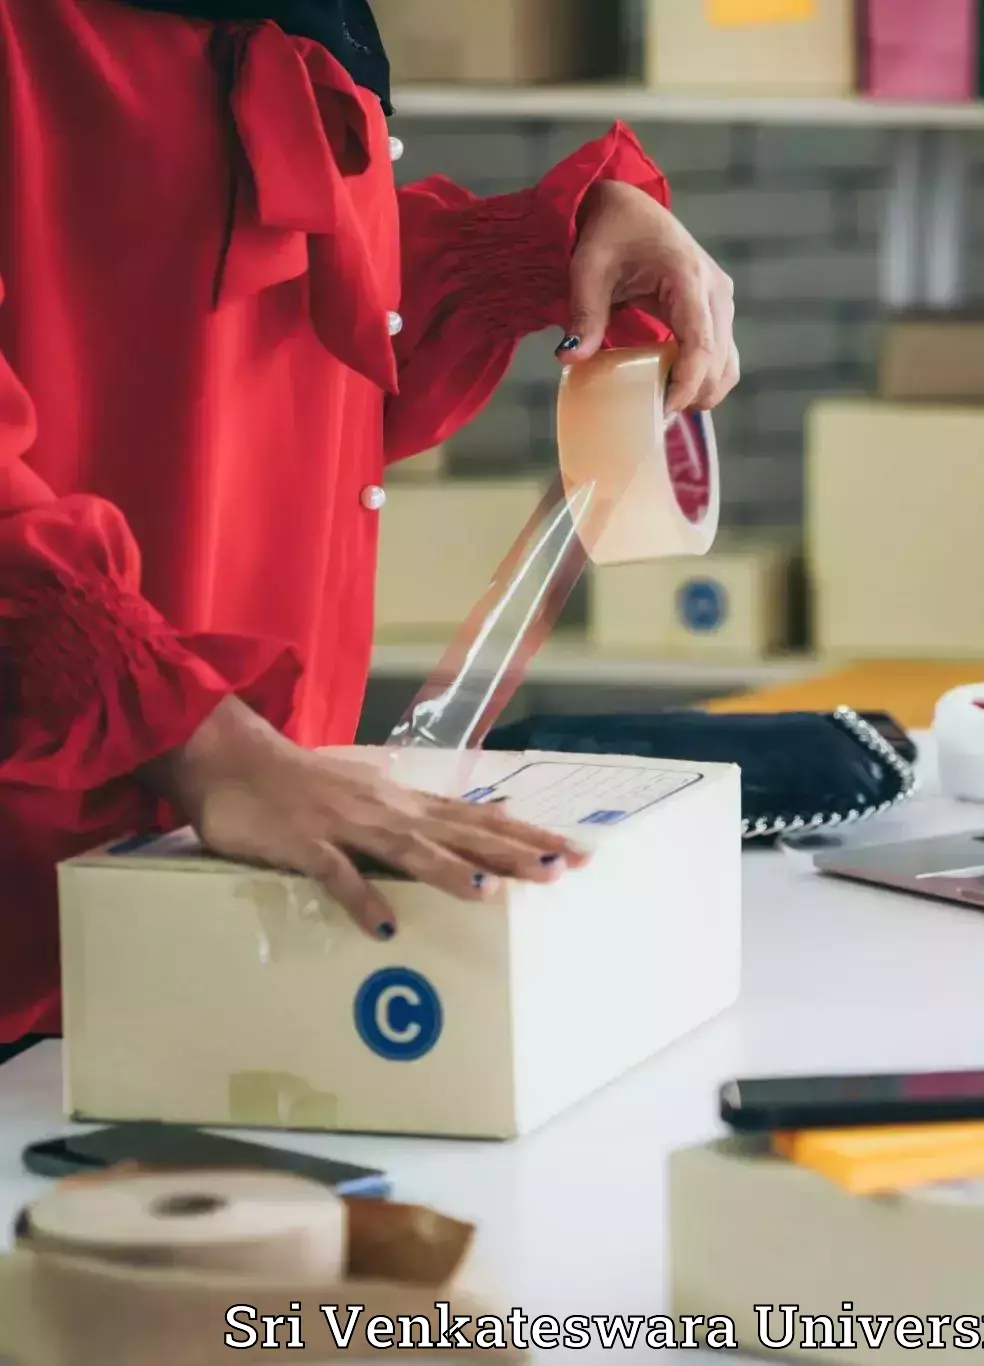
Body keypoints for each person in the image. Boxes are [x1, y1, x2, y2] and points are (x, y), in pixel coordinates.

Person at [0, 0, 742, 1060]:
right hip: (50, 891)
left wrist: (545, 250)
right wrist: (197, 738)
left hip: (231, 872)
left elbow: (267, 328)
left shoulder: (300, 24)